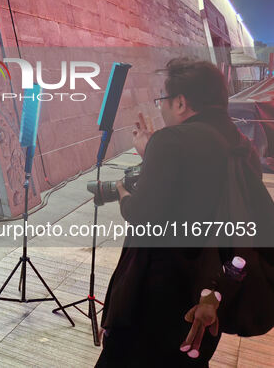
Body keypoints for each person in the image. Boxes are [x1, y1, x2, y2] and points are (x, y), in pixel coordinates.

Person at [96, 58, 265, 367]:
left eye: (162, 99)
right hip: (210, 297)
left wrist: (123, 191)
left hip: (154, 300)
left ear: (181, 102)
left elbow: (142, 215)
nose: (160, 107)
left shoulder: (170, 141)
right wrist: (153, 154)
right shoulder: (241, 144)